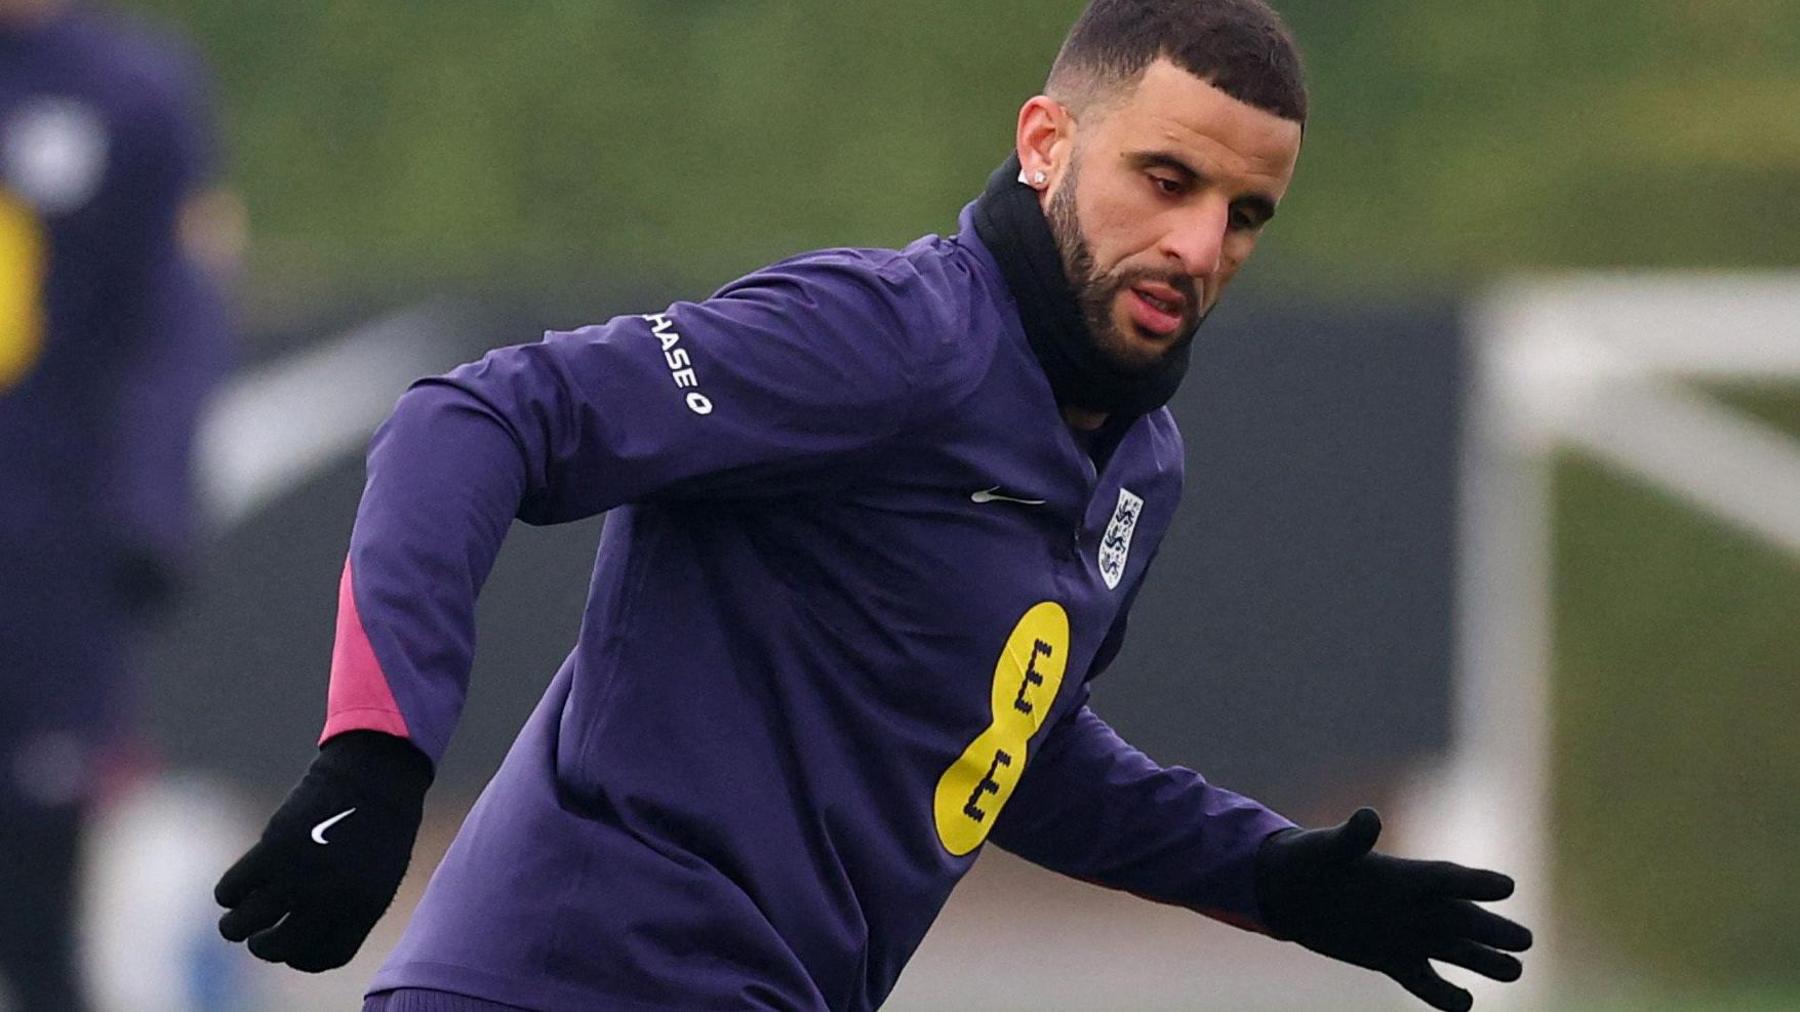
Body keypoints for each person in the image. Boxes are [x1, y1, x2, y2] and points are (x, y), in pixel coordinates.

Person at [215, 2, 1531, 1010]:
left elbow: (1003, 753)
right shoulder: (890, 338)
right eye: (1167, 180)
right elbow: (479, 417)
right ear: (1045, 143)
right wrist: (374, 763)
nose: (1200, 248)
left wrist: (1268, 876)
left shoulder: (1140, 466)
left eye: (1247, 214)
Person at [0, 0, 233, 1007]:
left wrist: (147, 505)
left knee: (37, 883)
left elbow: (177, 320)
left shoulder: (133, 92)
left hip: (50, 552)